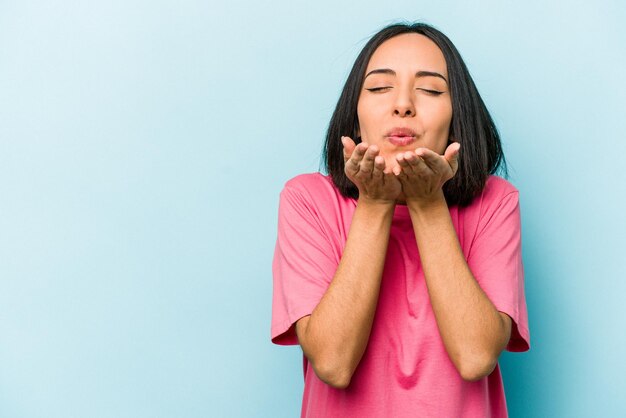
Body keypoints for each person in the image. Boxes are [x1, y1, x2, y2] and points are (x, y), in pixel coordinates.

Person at [271, 22, 530, 418]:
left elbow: (476, 357)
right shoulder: (308, 200)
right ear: (355, 119)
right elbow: (333, 363)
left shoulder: (494, 202)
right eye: (379, 88)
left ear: (456, 119)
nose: (403, 104)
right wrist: (375, 202)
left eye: (429, 89)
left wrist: (427, 204)